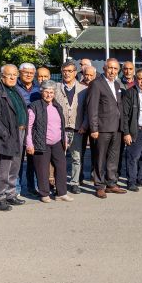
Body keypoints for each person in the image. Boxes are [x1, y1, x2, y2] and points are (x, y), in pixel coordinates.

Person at [26, 80, 72, 203]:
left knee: (61, 167)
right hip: (41, 143)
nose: (49, 95)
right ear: (41, 92)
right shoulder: (34, 106)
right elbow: (29, 127)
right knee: (42, 169)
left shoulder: (57, 106)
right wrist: (29, 144)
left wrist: (65, 140)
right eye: (46, 92)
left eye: (51, 92)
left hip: (58, 142)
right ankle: (44, 193)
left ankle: (61, 193)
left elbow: (61, 125)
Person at [87, 58, 126, 198]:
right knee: (100, 158)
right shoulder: (96, 84)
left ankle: (111, 183)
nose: (112, 71)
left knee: (113, 158)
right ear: (104, 68)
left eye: (115, 69)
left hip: (116, 128)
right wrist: (94, 128)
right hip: (102, 128)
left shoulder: (116, 84)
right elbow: (92, 108)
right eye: (110, 68)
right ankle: (99, 185)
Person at [0, 64, 28, 211]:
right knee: (3, 168)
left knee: (15, 166)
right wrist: (4, 134)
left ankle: (10, 194)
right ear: (2, 77)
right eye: (9, 75)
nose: (13, 77)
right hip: (7, 134)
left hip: (20, 133)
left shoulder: (16, 90)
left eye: (15, 75)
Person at [53, 61, 87, 194]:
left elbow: (87, 110)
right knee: (58, 158)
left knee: (76, 157)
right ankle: (58, 183)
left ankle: (74, 183)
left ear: (75, 73)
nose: (67, 73)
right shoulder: (56, 87)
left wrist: (84, 124)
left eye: (70, 71)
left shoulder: (83, 89)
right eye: (64, 71)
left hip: (77, 129)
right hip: (59, 130)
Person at [16, 62, 40, 196]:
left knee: (33, 159)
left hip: (35, 128)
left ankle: (33, 186)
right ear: (20, 73)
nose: (29, 75)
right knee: (18, 159)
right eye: (26, 72)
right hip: (19, 127)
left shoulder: (38, 87)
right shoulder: (14, 86)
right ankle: (16, 188)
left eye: (31, 73)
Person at [79, 64, 97, 184]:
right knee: (80, 152)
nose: (88, 77)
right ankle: (79, 176)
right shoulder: (78, 86)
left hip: (94, 124)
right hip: (80, 124)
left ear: (95, 75)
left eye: (91, 75)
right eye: (86, 74)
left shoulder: (97, 86)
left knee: (96, 152)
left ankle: (94, 174)